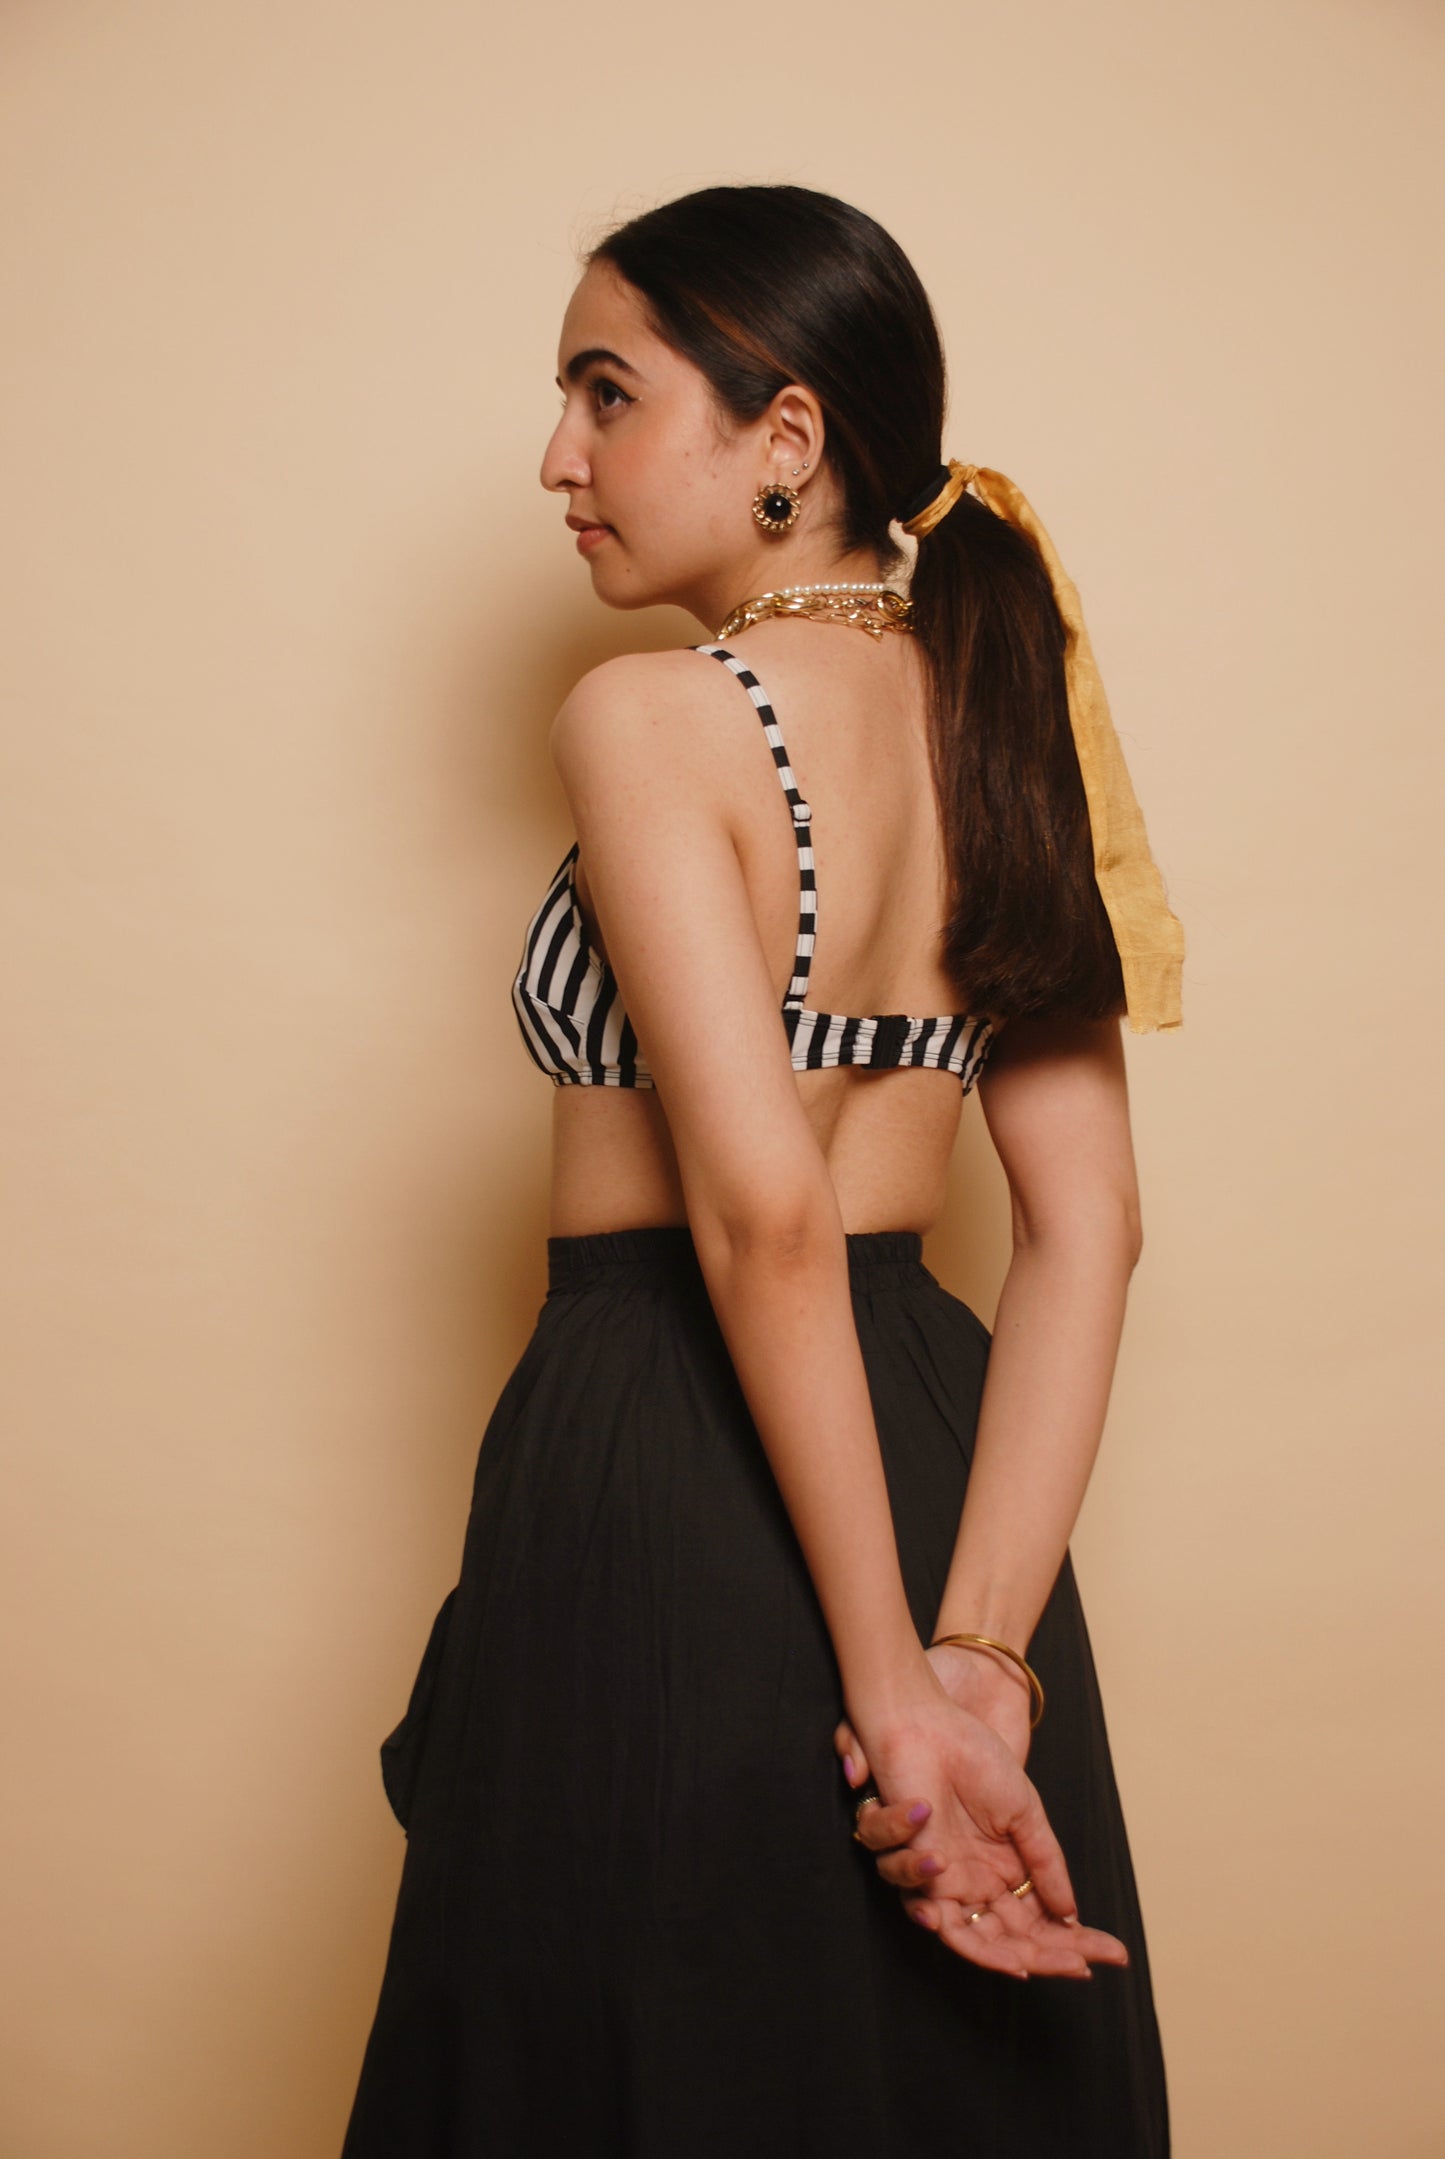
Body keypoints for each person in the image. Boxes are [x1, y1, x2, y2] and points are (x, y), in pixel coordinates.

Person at [339, 182, 1183, 2157]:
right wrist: (983, 1666)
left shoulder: (654, 719)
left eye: (605, 396)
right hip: (939, 1445)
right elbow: (1091, 1229)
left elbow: (762, 1211)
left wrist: (882, 1689)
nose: (559, 458)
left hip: (677, 1435)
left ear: (786, 440)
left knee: (653, 2067)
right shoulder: (1004, 705)